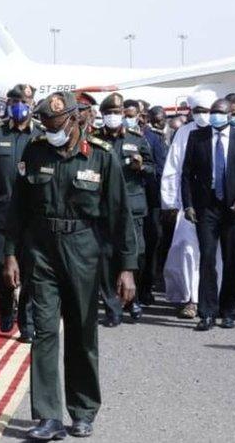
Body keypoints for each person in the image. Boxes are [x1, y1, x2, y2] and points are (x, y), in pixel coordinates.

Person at [3, 91, 136, 440]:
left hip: (83, 250)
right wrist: (11, 253)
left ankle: (82, 410)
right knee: (44, 331)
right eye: (45, 124)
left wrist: (126, 268)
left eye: (56, 124)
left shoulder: (101, 158)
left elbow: (120, 216)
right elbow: (17, 207)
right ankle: (47, 415)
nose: (49, 130)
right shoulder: (34, 150)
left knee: (81, 332)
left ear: (76, 119)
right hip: (41, 250)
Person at [181, 98, 235, 331]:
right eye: (213, 111)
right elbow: (186, 174)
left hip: (234, 209)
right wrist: (188, 205)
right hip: (206, 209)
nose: (215, 115)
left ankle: (228, 311)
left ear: (230, 114)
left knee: (231, 260)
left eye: (220, 112)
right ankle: (207, 312)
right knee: (206, 259)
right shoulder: (197, 138)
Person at [0, 84, 40, 341]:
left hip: (31, 215)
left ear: (33, 104)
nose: (19, 105)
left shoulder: (41, 137)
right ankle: (5, 306)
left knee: (29, 269)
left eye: (24, 100)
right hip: (0, 212)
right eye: (14, 100)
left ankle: (26, 321)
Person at [93, 94, 154, 325]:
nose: (114, 117)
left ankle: (133, 299)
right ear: (103, 115)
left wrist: (142, 167)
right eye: (109, 113)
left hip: (133, 206)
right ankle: (112, 306)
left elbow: (152, 168)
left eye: (117, 112)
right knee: (108, 258)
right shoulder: (94, 139)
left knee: (135, 254)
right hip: (105, 209)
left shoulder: (137, 139)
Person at [161, 90, 217, 319]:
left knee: (215, 254)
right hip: (189, 204)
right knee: (187, 250)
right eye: (199, 111)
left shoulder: (222, 132)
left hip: (217, 206)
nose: (203, 115)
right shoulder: (183, 133)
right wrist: (171, 203)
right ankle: (191, 299)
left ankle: (213, 300)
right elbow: (173, 170)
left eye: (207, 111)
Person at [140, 105, 168, 305]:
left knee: (150, 247)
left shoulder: (153, 140)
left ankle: (145, 289)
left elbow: (161, 169)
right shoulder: (133, 137)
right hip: (131, 202)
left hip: (151, 202)